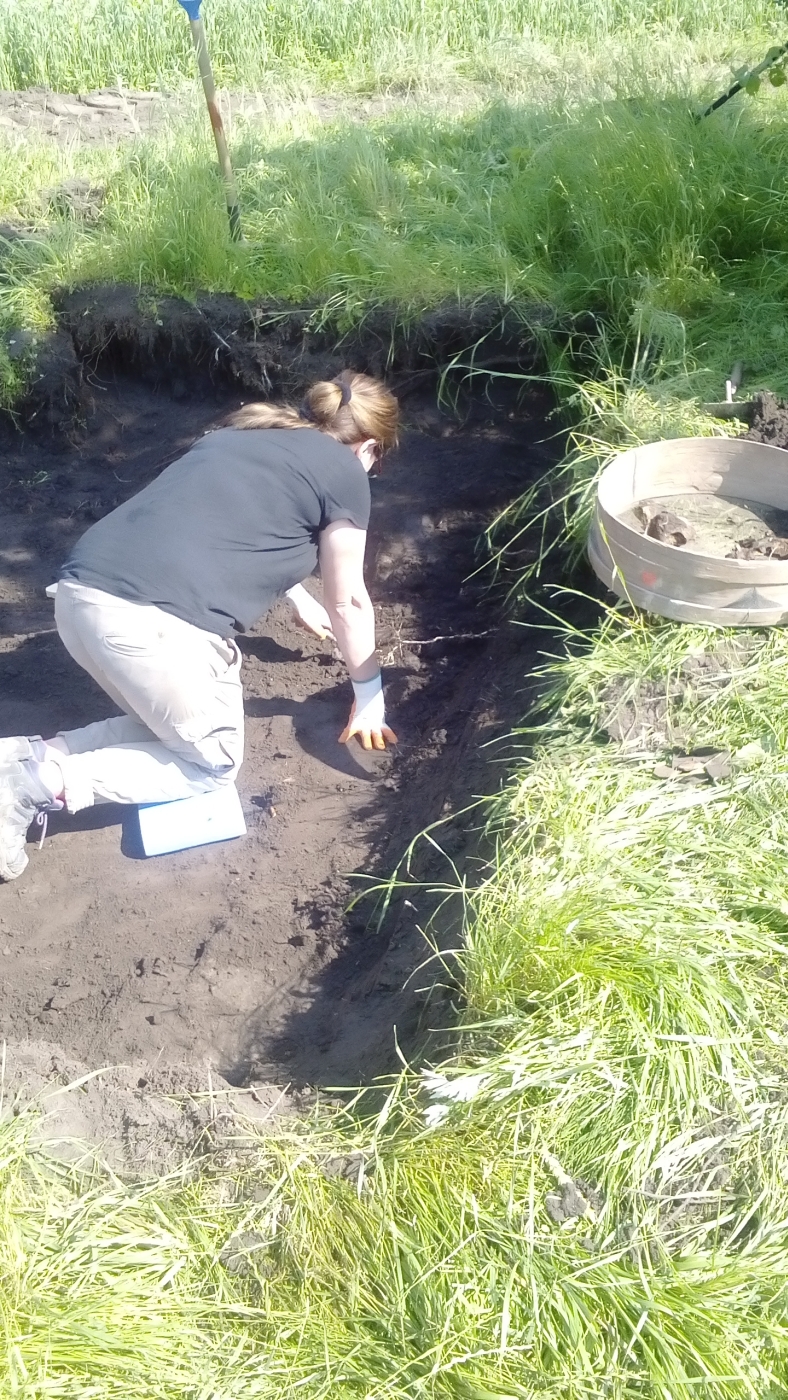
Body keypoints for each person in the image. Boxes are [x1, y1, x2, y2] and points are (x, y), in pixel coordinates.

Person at [0, 370, 399, 882]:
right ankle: (37, 784)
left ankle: (25, 757)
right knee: (211, 765)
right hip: (152, 626)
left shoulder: (243, 434)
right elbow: (347, 601)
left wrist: (295, 593)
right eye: (376, 462)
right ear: (368, 446)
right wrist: (369, 697)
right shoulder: (344, 470)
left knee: (171, 730)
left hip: (80, 600)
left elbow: (210, 523)